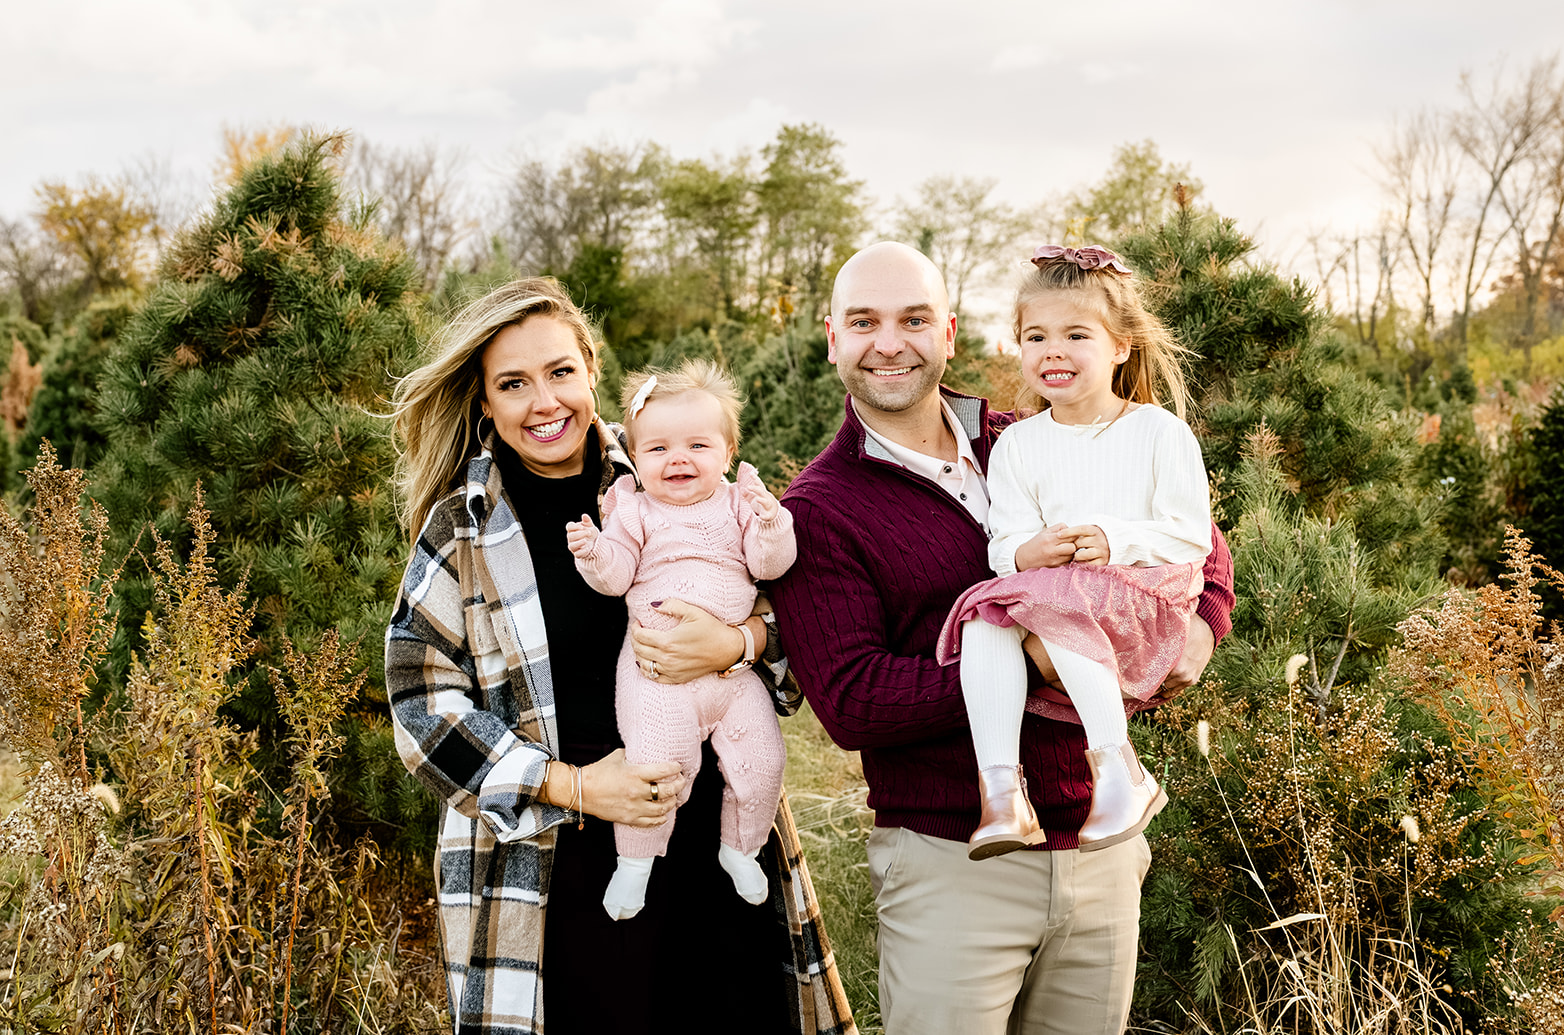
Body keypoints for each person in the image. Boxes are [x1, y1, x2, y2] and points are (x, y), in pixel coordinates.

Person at [771, 242, 1235, 1035]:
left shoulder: (1030, 436)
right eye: (864, 322)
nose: (891, 342)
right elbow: (852, 700)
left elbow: (1188, 531)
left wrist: (1204, 623)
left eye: (914, 319)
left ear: (950, 331)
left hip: (1099, 844)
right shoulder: (819, 507)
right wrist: (1021, 654)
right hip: (954, 860)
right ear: (832, 337)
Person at [385, 278, 853, 1035]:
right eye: (514, 383)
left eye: (560, 372)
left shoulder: (673, 469)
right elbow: (420, 708)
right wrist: (574, 786)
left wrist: (741, 642)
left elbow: (797, 622)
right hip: (560, 858)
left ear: (591, 370)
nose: (545, 402)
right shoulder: (464, 530)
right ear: (485, 403)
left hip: (711, 830)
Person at [937, 245, 1210, 860]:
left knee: (1060, 597)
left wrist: (1117, 539)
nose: (1052, 350)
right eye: (1035, 336)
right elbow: (1002, 542)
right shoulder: (1018, 446)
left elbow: (1192, 533)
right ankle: (1002, 793)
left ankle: (1121, 770)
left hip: (1149, 601)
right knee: (985, 614)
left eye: (1075, 334)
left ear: (1120, 346)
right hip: (1065, 598)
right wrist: (1025, 553)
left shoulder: (1157, 432)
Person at [566, 361, 795, 920]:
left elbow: (771, 566)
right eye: (659, 449)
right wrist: (594, 551)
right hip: (658, 674)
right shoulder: (634, 510)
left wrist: (772, 525)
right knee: (657, 767)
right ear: (635, 458)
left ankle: (741, 848)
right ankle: (636, 864)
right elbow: (617, 575)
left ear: (727, 451)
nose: (679, 459)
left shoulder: (741, 505)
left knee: (763, 760)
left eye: (697, 444)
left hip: (733, 676)